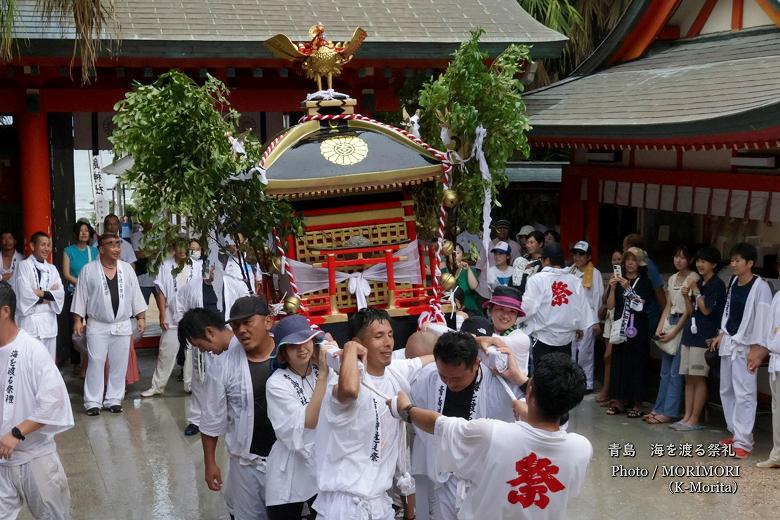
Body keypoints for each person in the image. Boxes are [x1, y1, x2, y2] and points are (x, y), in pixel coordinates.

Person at [391, 352, 592, 520]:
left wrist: (406, 409)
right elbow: (569, 490)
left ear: (530, 391)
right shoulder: (581, 448)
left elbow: (439, 424)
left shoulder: (492, 434)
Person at [312, 307, 434, 520]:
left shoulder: (395, 371)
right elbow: (349, 390)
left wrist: (476, 343)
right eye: (379, 336)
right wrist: (350, 350)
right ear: (359, 342)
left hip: (380, 503)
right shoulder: (339, 382)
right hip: (344, 505)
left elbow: (433, 358)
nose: (388, 342)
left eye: (390, 334)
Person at [411, 329, 523, 520]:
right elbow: (420, 422)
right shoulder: (428, 377)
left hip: (485, 478)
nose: (449, 383)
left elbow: (545, 413)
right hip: (444, 475)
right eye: (444, 376)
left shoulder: (500, 384)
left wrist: (520, 378)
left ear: (476, 364)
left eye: (456, 378)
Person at [0, 281, 74, 520]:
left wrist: (17, 432)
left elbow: (53, 402)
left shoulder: (32, 350)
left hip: (35, 457)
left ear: (5, 311)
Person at [198, 296, 276, 520]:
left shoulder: (290, 354)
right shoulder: (222, 367)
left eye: (248, 322)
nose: (241, 330)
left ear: (268, 322)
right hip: (246, 464)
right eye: (235, 325)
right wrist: (210, 463)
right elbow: (211, 419)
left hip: (288, 461)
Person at [265, 315, 332, 519]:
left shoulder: (323, 372)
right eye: (293, 345)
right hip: (288, 470)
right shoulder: (276, 383)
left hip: (321, 463)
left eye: (306, 341)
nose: (302, 348)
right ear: (283, 353)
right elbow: (309, 421)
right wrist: (323, 376)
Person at [71, 234, 147, 416]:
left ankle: (114, 399)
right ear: (101, 248)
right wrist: (77, 319)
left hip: (121, 323)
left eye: (118, 244)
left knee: (119, 363)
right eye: (111, 244)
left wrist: (141, 317)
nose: (116, 248)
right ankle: (92, 401)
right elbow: (80, 296)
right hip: (98, 324)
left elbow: (136, 294)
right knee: (96, 361)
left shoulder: (127, 269)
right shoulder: (88, 270)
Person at [711, 243, 773, 459]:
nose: (733, 264)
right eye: (732, 260)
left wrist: (760, 349)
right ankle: (737, 434)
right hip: (730, 342)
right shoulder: (734, 281)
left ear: (750, 263)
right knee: (726, 389)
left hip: (748, 346)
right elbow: (729, 312)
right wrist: (722, 332)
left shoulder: (761, 287)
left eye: (738, 260)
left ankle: (744, 442)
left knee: (745, 393)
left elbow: (765, 320)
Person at [672, 246, 726, 432]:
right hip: (690, 332)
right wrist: (687, 296)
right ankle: (686, 416)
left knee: (698, 377)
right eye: (699, 261)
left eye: (704, 261)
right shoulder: (700, 283)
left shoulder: (716, 285)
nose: (700, 264)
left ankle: (694, 418)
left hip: (704, 335)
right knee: (688, 377)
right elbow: (690, 310)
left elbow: (706, 309)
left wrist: (695, 291)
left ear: (714, 264)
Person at [522, 243, 597, 373]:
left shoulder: (537, 279)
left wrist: (516, 321)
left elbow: (527, 308)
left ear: (546, 260)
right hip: (566, 340)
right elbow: (582, 308)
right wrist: (579, 327)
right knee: (563, 378)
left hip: (542, 337)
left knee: (544, 378)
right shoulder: (574, 280)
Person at [141, 240, 202, 398]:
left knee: (192, 353)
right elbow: (161, 291)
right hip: (171, 313)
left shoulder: (197, 266)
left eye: (185, 247)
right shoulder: (165, 266)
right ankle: (157, 386)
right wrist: (162, 313)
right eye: (179, 246)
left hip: (192, 315)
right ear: (173, 248)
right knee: (166, 351)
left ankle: (190, 385)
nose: (182, 250)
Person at [644, 246, 698, 425]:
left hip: (684, 326)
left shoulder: (693, 279)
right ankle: (658, 408)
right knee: (664, 371)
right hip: (670, 321)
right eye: (676, 256)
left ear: (690, 260)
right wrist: (660, 327)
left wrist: (674, 332)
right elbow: (668, 304)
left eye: (683, 257)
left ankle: (670, 411)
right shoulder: (673, 278)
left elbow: (689, 311)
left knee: (675, 373)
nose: (678, 260)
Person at [176, 260, 225, 436]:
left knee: (225, 380)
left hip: (225, 339)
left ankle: (224, 417)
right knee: (200, 380)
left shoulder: (230, 284)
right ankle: (196, 420)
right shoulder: (193, 286)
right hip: (203, 341)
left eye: (216, 268)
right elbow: (179, 305)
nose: (212, 272)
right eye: (210, 268)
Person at [606, 247, 654, 418]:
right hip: (621, 328)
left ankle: (637, 403)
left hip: (638, 328)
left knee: (637, 364)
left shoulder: (645, 282)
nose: (630, 263)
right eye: (627, 260)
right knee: (619, 363)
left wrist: (628, 289)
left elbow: (640, 305)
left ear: (639, 263)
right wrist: (612, 288)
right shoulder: (619, 280)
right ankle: (619, 400)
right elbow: (611, 306)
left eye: (634, 260)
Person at [12, 232, 64, 361]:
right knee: (30, 362)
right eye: (43, 244)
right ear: (32, 246)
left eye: (48, 245)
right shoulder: (23, 266)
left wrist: (39, 293)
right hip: (30, 322)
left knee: (48, 363)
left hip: (49, 323)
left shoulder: (52, 269)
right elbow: (25, 294)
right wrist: (48, 296)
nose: (46, 248)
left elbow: (60, 294)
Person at [569, 241, 603, 392]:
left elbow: (597, 298)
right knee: (570, 351)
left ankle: (587, 382)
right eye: (575, 254)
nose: (577, 257)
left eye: (581, 254)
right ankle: (571, 381)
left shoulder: (594, 274)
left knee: (585, 353)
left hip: (587, 318)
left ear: (588, 257)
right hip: (570, 317)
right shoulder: (570, 271)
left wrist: (596, 321)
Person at [483, 286, 532, 374]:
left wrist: (475, 338)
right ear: (490, 311)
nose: (505, 316)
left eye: (512, 312)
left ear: (517, 316)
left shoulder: (521, 339)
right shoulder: (485, 330)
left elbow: (493, 343)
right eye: (501, 309)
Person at [623, 234, 666, 333]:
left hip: (647, 316)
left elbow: (659, 291)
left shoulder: (648, 266)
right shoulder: (625, 267)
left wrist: (664, 319)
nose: (623, 249)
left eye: (624, 246)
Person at [596, 249, 623, 406]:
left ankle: (609, 391)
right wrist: (611, 286)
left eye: (619, 259)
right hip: (609, 320)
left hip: (619, 322)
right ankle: (608, 391)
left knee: (609, 356)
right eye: (614, 259)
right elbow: (605, 300)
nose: (617, 262)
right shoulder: (613, 278)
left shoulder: (627, 280)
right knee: (608, 359)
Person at [758, 287, 780, 468]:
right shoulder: (778, 296)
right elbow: (770, 329)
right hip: (776, 359)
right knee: (777, 409)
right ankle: (777, 454)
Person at [512, 230, 544, 296]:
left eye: (531, 242)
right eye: (527, 242)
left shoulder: (545, 262)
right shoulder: (522, 260)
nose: (528, 245)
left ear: (540, 244)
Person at [450, 244, 480, 314]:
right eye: (452, 253)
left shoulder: (469, 269)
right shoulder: (445, 270)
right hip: (450, 309)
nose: (455, 256)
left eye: (457, 253)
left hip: (469, 309)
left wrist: (468, 269)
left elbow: (474, 286)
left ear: (462, 255)